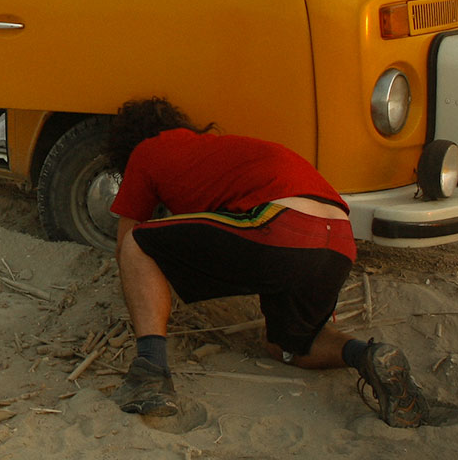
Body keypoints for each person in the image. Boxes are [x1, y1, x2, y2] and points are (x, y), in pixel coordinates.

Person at [105, 97, 429, 428]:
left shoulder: (147, 150)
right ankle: (366, 355)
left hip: (281, 224)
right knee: (290, 346)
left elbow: (125, 244)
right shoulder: (223, 151)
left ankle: (150, 372)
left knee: (137, 243)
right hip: (339, 240)